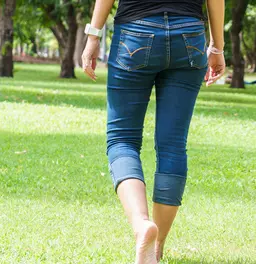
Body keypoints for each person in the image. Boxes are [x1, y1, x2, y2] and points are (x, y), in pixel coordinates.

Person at [82, 1, 225, 263]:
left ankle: (141, 226)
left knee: (122, 139)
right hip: (189, 34)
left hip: (135, 31)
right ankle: (156, 248)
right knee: (173, 145)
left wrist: (94, 34)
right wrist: (217, 46)